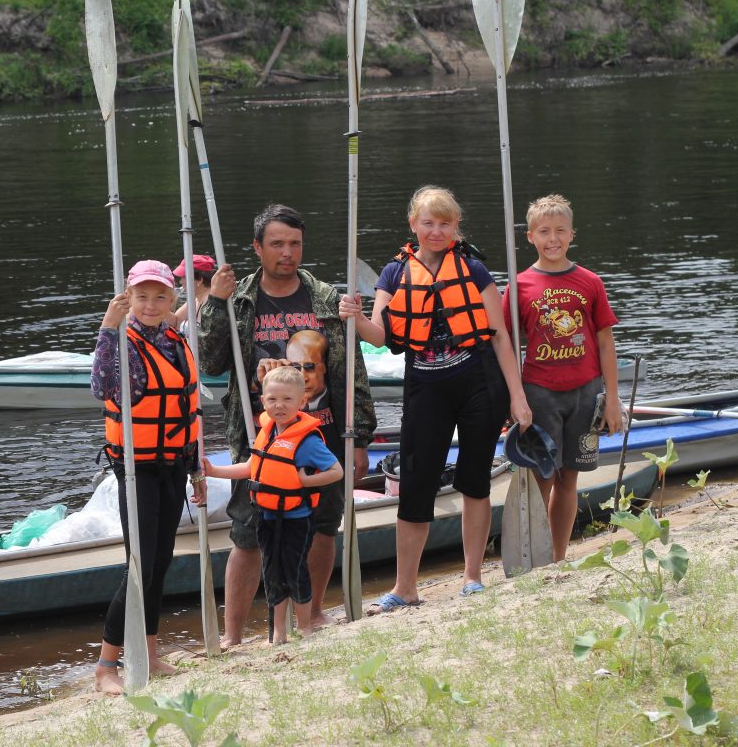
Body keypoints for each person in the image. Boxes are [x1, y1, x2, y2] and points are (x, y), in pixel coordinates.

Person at [339, 186, 531, 612]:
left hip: (480, 384)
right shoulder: (394, 274)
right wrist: (353, 318)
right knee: (415, 484)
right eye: (429, 222)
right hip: (425, 387)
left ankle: (473, 577)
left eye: (445, 223)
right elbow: (381, 334)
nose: (436, 230)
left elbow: (500, 339)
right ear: (413, 224)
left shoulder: (475, 270)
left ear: (455, 227)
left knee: (474, 481)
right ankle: (405, 587)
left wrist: (517, 397)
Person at [200, 204, 376, 647]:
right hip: (259, 436)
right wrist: (216, 303)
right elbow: (209, 362)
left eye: (295, 244)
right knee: (248, 533)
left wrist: (360, 437)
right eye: (277, 244)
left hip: (321, 433)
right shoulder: (238, 299)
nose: (287, 253)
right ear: (258, 247)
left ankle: (312, 615)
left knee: (321, 525)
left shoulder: (326, 299)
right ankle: (233, 635)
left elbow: (351, 371)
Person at [90, 259, 206, 694]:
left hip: (174, 461)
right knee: (138, 565)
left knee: (160, 562)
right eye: (142, 296)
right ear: (128, 298)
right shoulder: (123, 341)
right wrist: (108, 325)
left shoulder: (175, 340)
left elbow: (187, 409)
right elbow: (101, 386)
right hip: (135, 467)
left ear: (172, 299)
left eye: (160, 296)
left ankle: (151, 654)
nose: (151, 304)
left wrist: (196, 471)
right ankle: (106, 665)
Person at [503, 194, 622, 562]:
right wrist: (513, 399)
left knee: (570, 476)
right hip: (540, 394)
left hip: (585, 394)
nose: (552, 239)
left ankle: (557, 556)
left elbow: (605, 343)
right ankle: (533, 558)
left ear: (572, 234)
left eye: (559, 231)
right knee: (542, 476)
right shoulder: (518, 286)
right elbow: (505, 347)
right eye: (543, 231)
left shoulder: (590, 282)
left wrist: (613, 399)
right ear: (530, 237)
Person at [203, 366, 343, 645]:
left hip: (296, 518)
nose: (279, 406)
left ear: (301, 402)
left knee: (295, 571)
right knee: (272, 573)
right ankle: (278, 632)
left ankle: (304, 627)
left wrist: (304, 481)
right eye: (272, 400)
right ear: (263, 401)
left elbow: (336, 471)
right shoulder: (267, 433)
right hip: (266, 516)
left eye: (287, 400)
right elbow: (250, 468)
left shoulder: (307, 440)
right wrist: (213, 471)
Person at [171, 253, 216, 334]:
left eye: (184, 277)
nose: (180, 281)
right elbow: (176, 322)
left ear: (199, 280)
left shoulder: (211, 304)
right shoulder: (196, 299)